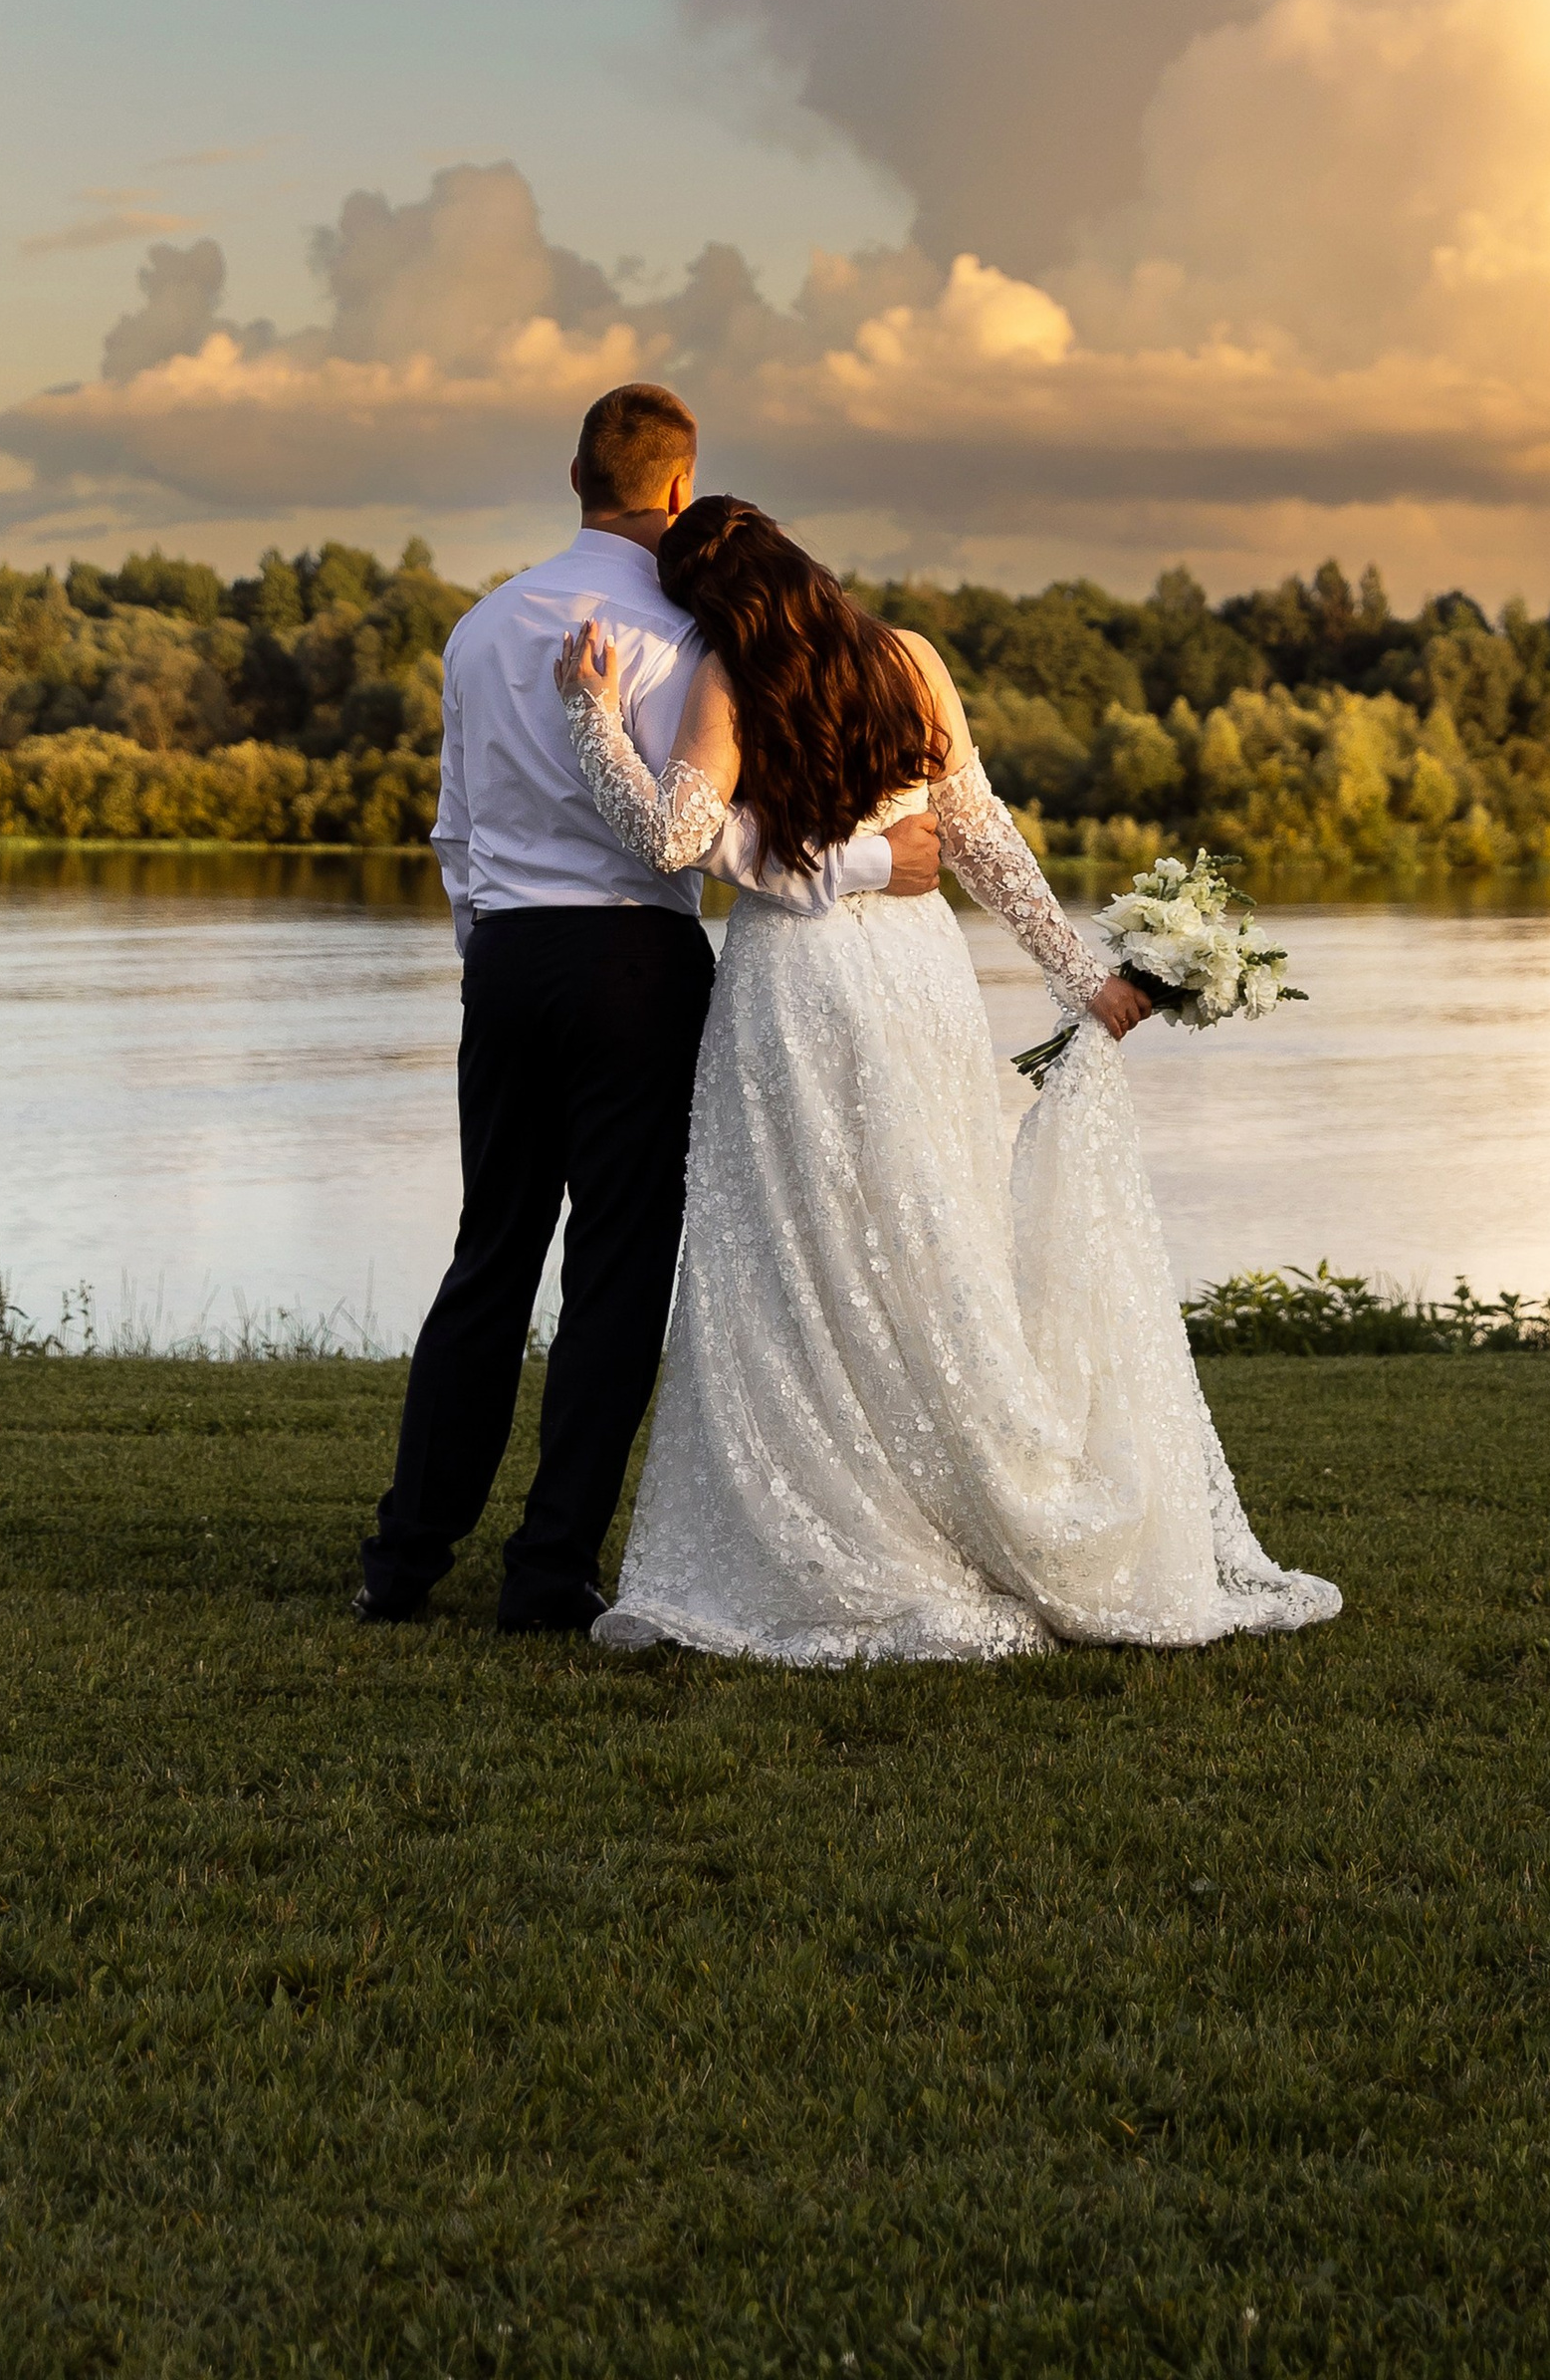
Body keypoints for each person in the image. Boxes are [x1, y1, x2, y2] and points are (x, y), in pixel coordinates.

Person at [552, 492, 1339, 1665]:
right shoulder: (909, 658)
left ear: (712, 602)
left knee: (795, 1253)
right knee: (934, 1236)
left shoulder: (722, 677)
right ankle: (974, 1501)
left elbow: (673, 838)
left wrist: (591, 716)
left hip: (795, 987)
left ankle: (858, 1520)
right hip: (917, 981)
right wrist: (1085, 978)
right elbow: (981, 839)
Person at [356, 385, 943, 1632]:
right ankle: (548, 1566)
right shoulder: (689, 636)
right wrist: (871, 865)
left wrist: (487, 955)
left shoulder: (477, 627)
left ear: (575, 473)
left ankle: (405, 1559)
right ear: (680, 488)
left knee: (489, 1256)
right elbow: (705, 841)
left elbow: (454, 833)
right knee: (616, 1272)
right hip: (634, 966)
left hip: (508, 962)